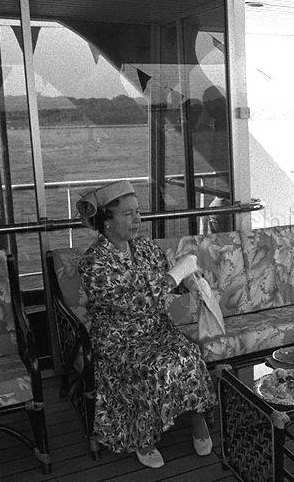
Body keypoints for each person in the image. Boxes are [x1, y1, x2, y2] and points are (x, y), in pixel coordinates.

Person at [76, 180, 217, 468]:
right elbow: (129, 301)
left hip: (155, 327)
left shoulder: (145, 248)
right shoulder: (94, 263)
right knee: (152, 366)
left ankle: (198, 421)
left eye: (138, 212)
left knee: (188, 354)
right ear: (107, 223)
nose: (137, 219)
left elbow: (168, 282)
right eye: (128, 214)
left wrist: (189, 282)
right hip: (118, 338)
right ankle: (143, 437)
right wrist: (172, 277)